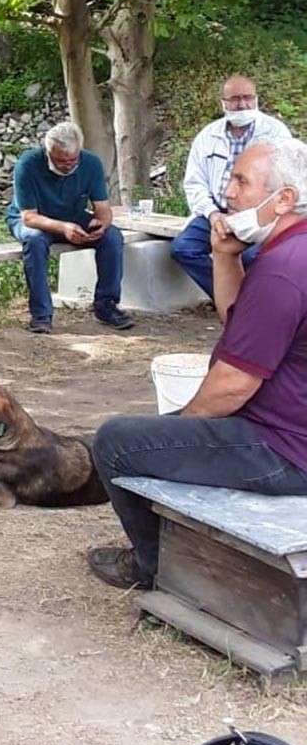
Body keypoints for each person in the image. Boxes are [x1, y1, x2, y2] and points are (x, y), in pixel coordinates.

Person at [88, 137, 307, 590]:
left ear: (283, 199)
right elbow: (240, 320)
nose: (227, 192)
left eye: (241, 181)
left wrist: (182, 424)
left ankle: (155, 570)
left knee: (116, 441)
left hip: (283, 449)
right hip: (292, 434)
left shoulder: (284, 269)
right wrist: (224, 255)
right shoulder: (292, 254)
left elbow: (232, 385)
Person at [172, 75, 292, 300]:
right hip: (217, 211)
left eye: (248, 98)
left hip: (260, 214)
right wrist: (212, 214)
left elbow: (286, 179)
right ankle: (231, 298)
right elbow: (194, 183)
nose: (243, 104)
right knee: (183, 249)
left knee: (252, 257)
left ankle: (252, 303)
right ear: (223, 102)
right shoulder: (207, 136)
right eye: (236, 99)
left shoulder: (276, 133)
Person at [6, 121, 132, 334]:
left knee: (112, 237)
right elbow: (28, 217)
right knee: (34, 241)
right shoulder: (27, 164)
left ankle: (106, 305)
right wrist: (64, 228)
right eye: (60, 161)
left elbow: (103, 208)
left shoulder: (91, 163)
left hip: (73, 217)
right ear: (48, 153)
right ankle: (41, 314)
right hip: (34, 220)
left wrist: (101, 224)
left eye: (72, 160)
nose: (67, 165)